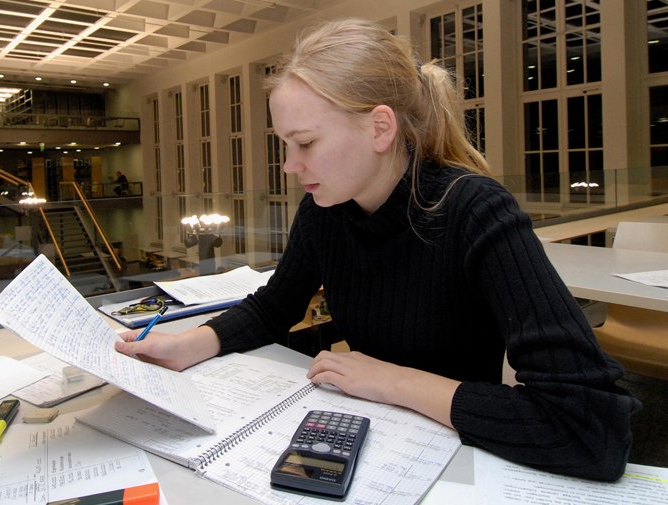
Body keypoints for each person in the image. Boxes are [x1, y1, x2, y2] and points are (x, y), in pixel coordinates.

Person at [115, 18, 640, 481]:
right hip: (377, 433)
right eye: (285, 144)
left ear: (380, 127)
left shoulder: (475, 210)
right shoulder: (325, 210)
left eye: (306, 143)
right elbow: (275, 306)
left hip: (453, 457)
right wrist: (190, 343)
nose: (290, 166)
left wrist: (393, 381)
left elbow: (588, 428)